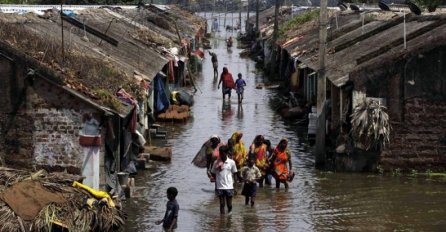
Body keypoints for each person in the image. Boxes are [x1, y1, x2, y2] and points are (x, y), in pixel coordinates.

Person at [211, 145, 237, 215]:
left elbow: (234, 173)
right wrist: (216, 180)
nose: (221, 155)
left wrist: (235, 185)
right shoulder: (216, 163)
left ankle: (229, 215)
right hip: (220, 186)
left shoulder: (231, 162)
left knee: (229, 204)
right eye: (220, 153)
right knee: (222, 204)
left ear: (226, 153)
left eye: (223, 153)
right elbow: (212, 172)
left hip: (229, 186)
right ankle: (222, 218)